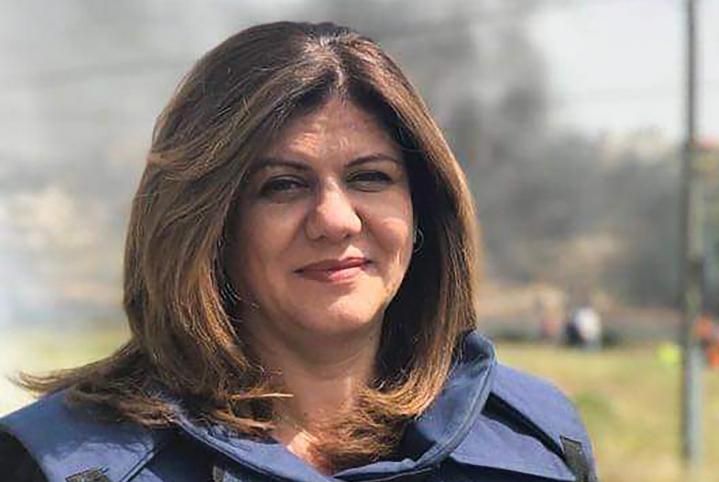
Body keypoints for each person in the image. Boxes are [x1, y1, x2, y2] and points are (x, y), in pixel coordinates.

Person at [0, 21, 598, 482]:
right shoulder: (60, 463)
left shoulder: (539, 445)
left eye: (370, 177)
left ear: (423, 210)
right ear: (206, 224)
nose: (336, 220)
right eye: (283, 185)